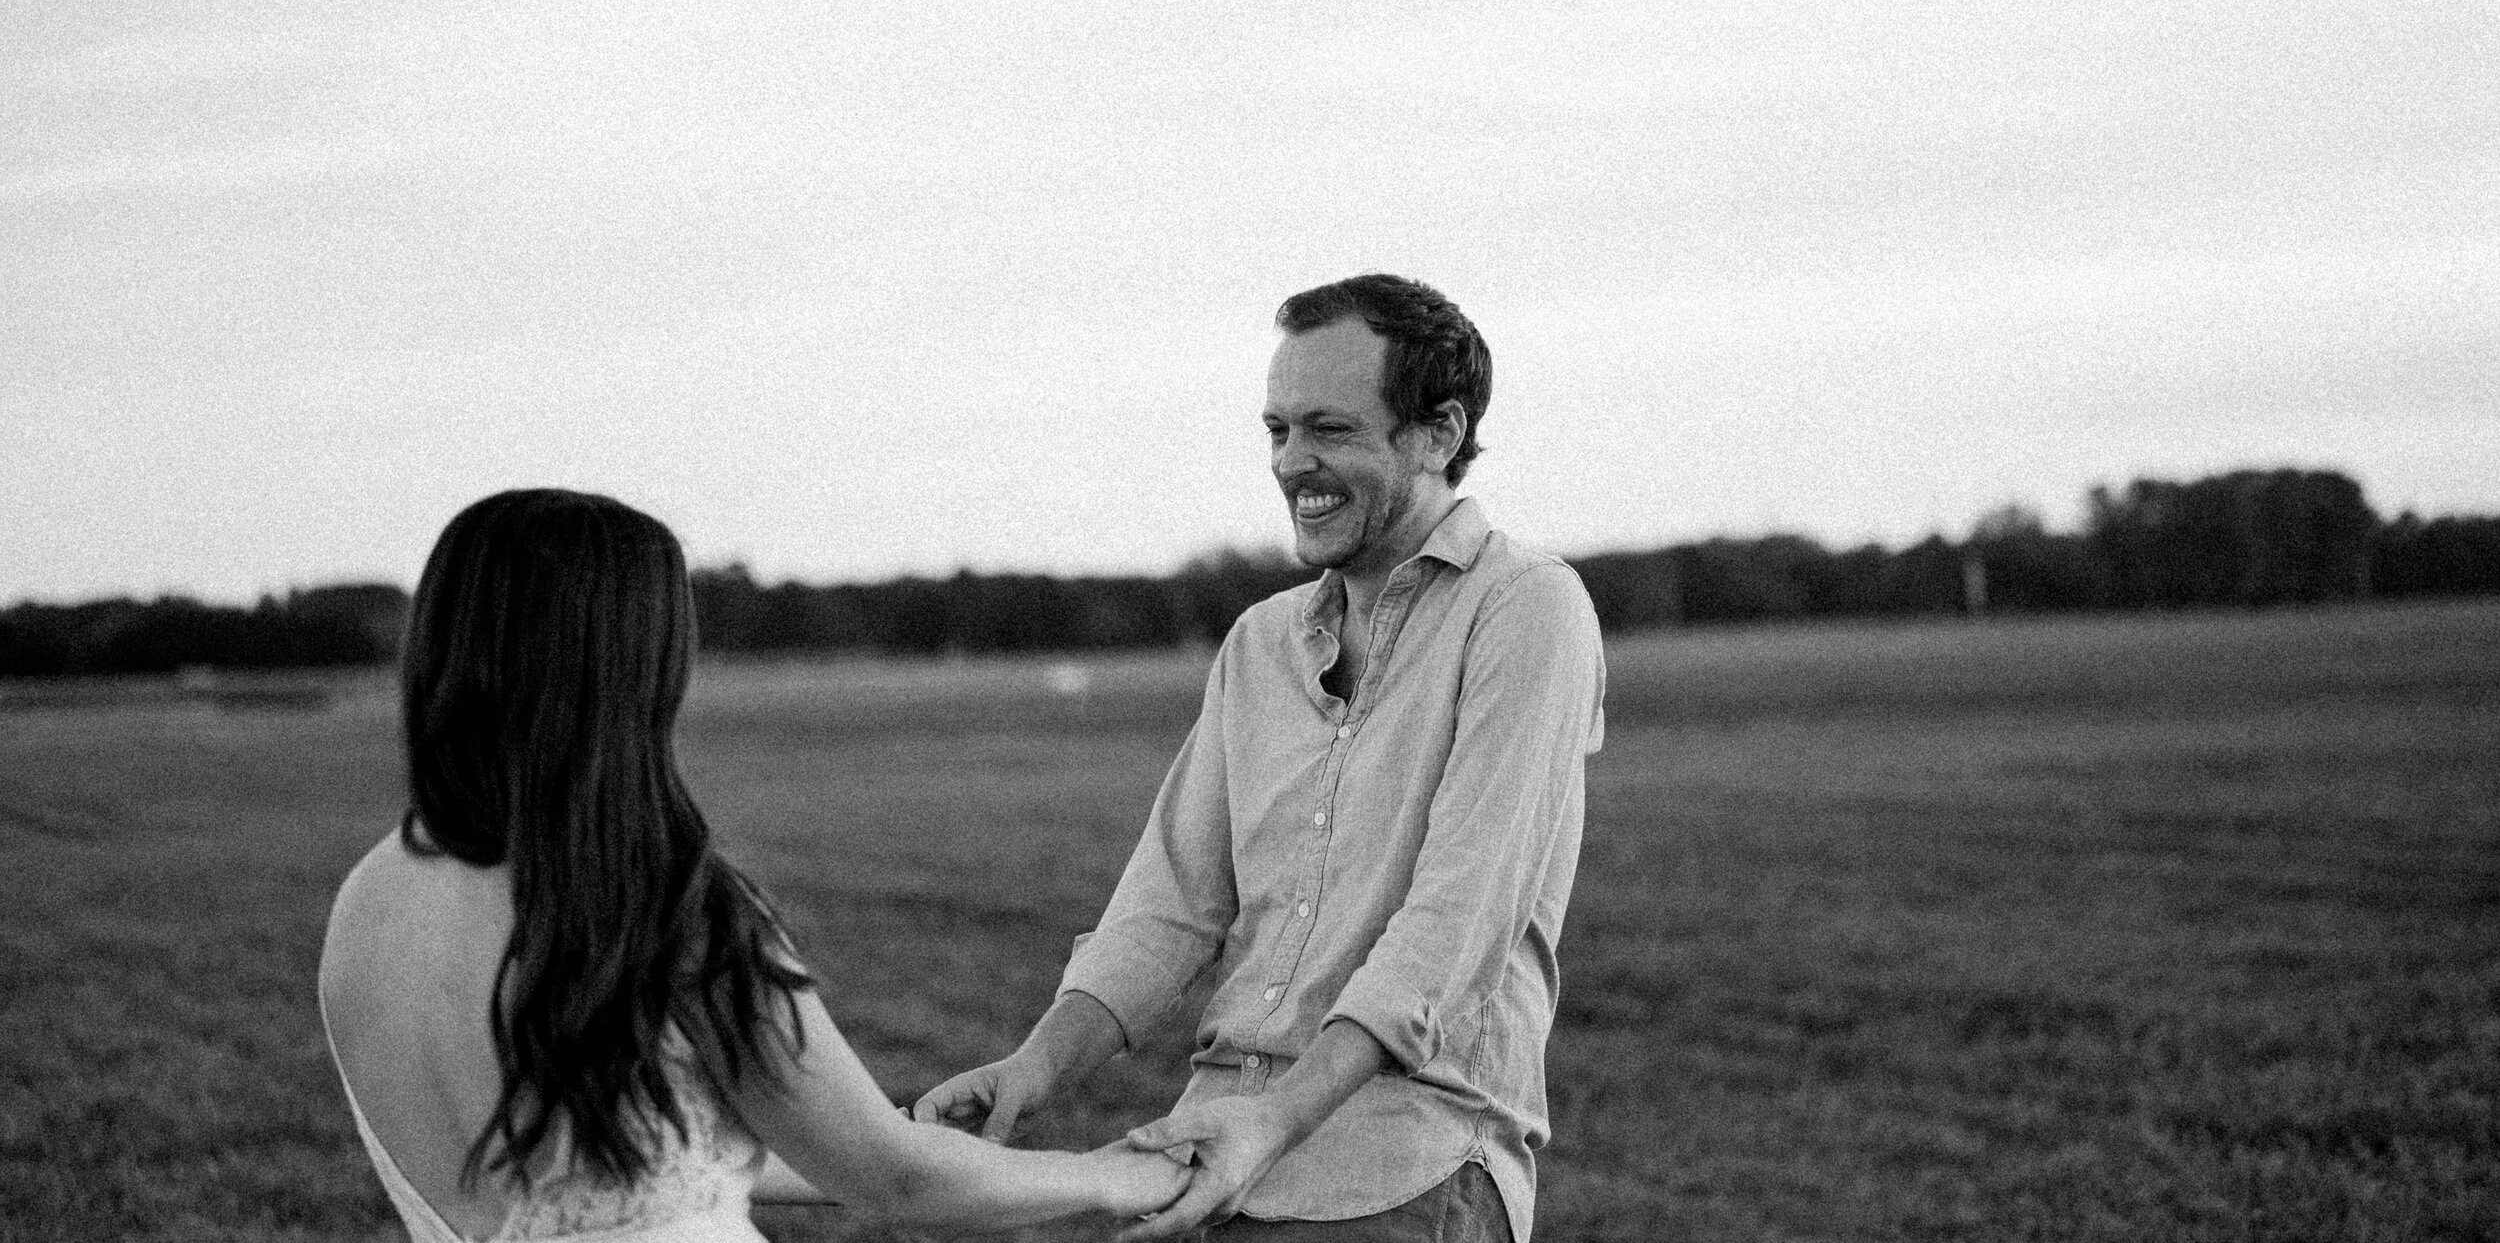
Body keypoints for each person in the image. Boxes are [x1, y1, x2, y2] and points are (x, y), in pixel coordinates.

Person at [916, 275, 1607, 1242]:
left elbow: (1452, 927)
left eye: (1328, 429)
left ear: (1438, 433)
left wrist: (1275, 1121)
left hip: (1406, 1176)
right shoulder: (1258, 642)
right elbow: (1170, 904)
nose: (1293, 463)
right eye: (1277, 430)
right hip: (1219, 1166)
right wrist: (1032, 1068)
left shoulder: (1526, 609)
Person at [319, 489, 1186, 1243]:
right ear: (632, 673)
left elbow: (611, 1164)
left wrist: (878, 1129)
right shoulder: (659, 903)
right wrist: (1116, 1174)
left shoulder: (370, 897)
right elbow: (898, 1184)